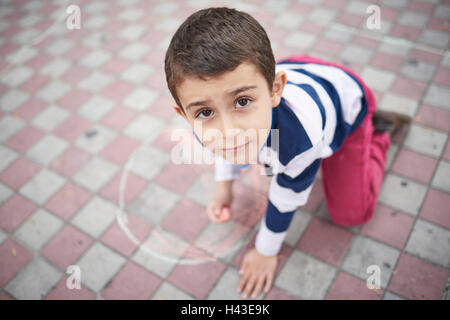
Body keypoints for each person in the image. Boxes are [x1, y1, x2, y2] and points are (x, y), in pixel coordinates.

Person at [164, 7, 410, 299]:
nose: (227, 130)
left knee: (351, 214)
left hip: (346, 99)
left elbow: (285, 198)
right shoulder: (208, 123)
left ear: (274, 90)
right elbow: (224, 148)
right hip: (298, 73)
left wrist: (265, 251)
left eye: (242, 101)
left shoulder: (299, 142)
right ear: (185, 114)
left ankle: (376, 132)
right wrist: (223, 188)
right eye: (205, 112)